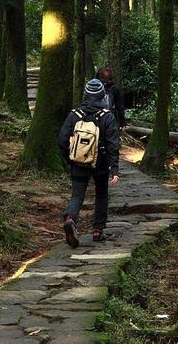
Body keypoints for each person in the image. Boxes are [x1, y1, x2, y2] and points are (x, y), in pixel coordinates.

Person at [58, 79, 120, 247]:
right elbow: (113, 144)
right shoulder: (107, 116)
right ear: (102, 96)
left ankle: (70, 218)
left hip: (78, 162)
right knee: (101, 194)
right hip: (100, 163)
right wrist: (114, 168)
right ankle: (98, 230)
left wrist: (69, 159)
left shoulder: (74, 115)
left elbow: (63, 139)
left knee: (77, 195)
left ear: (85, 95)